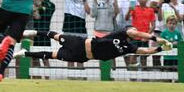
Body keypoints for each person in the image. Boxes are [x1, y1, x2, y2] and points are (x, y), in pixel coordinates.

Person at [16, 27, 173, 65]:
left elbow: (145, 50)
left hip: (82, 56)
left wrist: (160, 49)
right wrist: (155, 38)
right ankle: (33, 32)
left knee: (52, 55)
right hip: (79, 42)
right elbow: (137, 33)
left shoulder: (129, 48)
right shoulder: (122, 32)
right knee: (55, 35)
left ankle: (25, 53)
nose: (132, 32)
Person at [54, 0, 90, 69]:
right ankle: (70, 76)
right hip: (68, 29)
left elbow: (89, 11)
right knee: (68, 56)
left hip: (81, 31)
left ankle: (82, 77)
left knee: (80, 56)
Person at [125, 0, 155, 67]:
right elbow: (126, 18)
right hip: (134, 37)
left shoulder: (150, 10)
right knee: (132, 59)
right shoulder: (134, 8)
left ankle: (145, 79)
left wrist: (147, 36)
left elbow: (153, 25)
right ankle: (133, 78)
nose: (142, 0)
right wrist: (129, 11)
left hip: (144, 38)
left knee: (143, 59)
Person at [31, 0, 55, 79]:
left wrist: (37, 2)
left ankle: (47, 79)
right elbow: (36, 16)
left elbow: (42, 14)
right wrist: (34, 4)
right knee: (34, 58)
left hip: (45, 35)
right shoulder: (34, 3)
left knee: (45, 58)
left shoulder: (51, 5)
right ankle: (37, 79)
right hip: (34, 34)